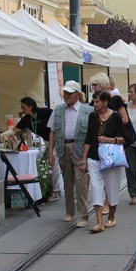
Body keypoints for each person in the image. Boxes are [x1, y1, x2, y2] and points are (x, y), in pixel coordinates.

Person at [81, 90, 129, 233]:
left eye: (97, 101)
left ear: (105, 102)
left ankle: (112, 217)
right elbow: (89, 138)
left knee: (111, 189)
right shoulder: (92, 116)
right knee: (95, 188)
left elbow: (127, 138)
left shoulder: (115, 116)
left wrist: (110, 140)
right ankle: (99, 223)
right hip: (94, 157)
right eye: (94, 101)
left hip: (110, 159)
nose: (95, 104)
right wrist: (84, 159)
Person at [48, 81, 93, 228]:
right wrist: (50, 152)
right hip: (63, 147)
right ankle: (70, 211)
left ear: (77, 94)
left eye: (69, 93)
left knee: (80, 182)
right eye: (65, 93)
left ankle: (83, 214)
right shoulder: (58, 109)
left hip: (79, 147)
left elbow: (92, 134)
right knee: (67, 181)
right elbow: (52, 131)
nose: (66, 96)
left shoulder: (88, 110)